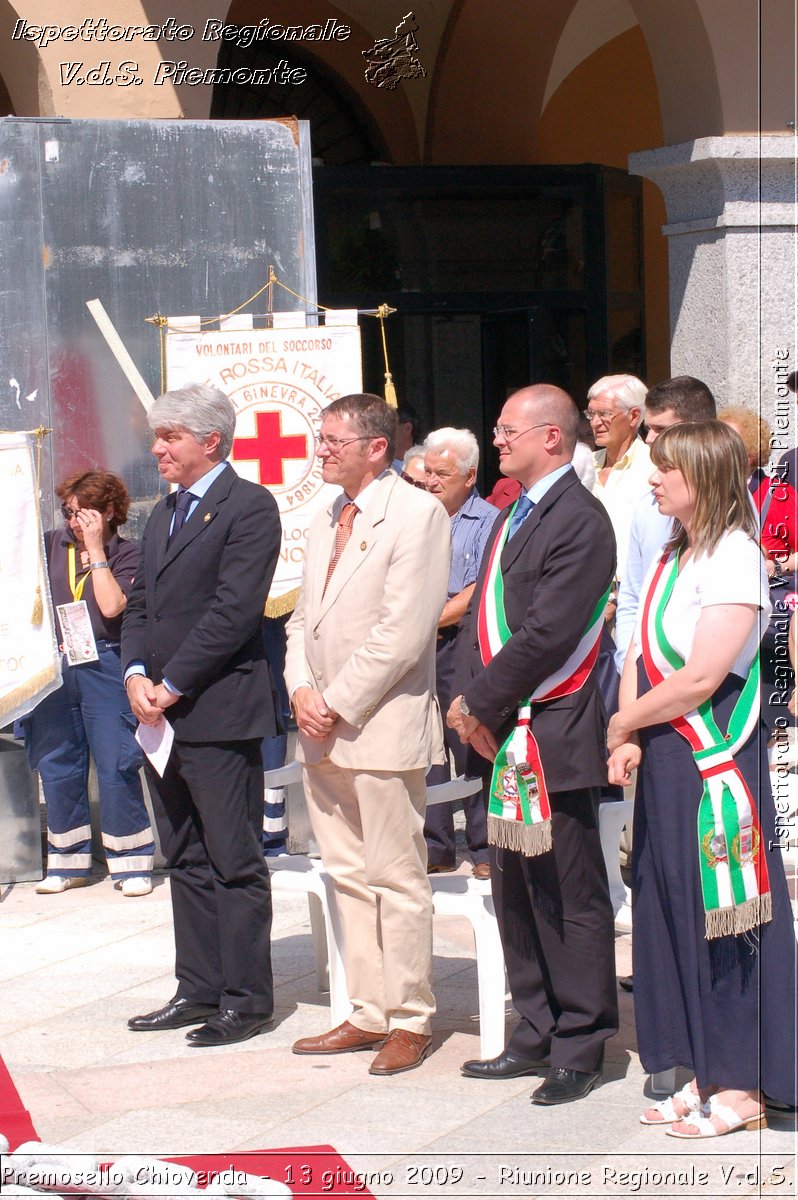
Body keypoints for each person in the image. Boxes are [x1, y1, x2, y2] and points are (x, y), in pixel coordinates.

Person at [608, 421, 797, 1136]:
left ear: (704, 477)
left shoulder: (735, 555)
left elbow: (702, 675)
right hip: (663, 749)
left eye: (665, 469)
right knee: (669, 905)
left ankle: (746, 1079)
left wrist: (625, 725)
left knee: (727, 910)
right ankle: (701, 1065)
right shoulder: (671, 552)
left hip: (712, 753)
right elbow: (637, 649)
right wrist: (628, 730)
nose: (652, 479)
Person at [448, 384, 619, 1105]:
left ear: (552, 437)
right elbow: (481, 621)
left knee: (566, 892)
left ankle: (580, 1044)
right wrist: (466, 708)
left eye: (508, 429)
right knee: (515, 889)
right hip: (499, 732)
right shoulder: (514, 510)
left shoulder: (580, 519)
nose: (497, 439)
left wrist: (479, 700)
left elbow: (548, 630)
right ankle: (534, 1031)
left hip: (549, 729)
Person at [286, 393, 451, 1076]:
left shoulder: (418, 514)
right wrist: (301, 690)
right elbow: (301, 619)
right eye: (318, 439)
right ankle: (367, 1009)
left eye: (330, 440)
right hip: (322, 729)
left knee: (395, 875)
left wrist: (336, 700)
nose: (318, 450)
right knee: (347, 875)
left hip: (379, 725)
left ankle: (410, 1018)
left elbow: (404, 631)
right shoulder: (327, 516)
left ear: (375, 447)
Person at [122, 383, 281, 1047]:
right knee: (183, 854)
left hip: (217, 712)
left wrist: (172, 684)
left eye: (170, 437)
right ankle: (198, 988)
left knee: (232, 858)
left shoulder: (248, 506)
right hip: (161, 717)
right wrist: (134, 674)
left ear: (210, 440)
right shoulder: (163, 513)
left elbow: (234, 611)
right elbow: (140, 607)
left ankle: (246, 999)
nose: (157, 449)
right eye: (158, 437)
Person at [22, 471, 154, 897]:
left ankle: (130, 861)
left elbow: (113, 606)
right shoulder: (49, 544)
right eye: (69, 512)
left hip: (104, 661)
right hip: (56, 662)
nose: (74, 522)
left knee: (117, 760)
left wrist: (96, 550)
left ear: (110, 512)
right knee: (57, 761)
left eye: (84, 513)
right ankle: (68, 859)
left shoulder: (128, 553)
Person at [422, 427, 496, 877]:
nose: (430, 481)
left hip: (459, 641)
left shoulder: (489, 521)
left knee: (466, 738)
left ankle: (484, 845)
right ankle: (436, 846)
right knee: (425, 745)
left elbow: (478, 590)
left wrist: (428, 620)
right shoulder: (413, 517)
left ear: (469, 476)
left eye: (441, 474)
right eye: (427, 472)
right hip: (415, 645)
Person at [588, 373, 651, 585]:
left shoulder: (655, 468)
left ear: (634, 416)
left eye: (604, 414)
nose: (595, 423)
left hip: (633, 593)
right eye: (591, 413)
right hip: (586, 593)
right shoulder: (582, 466)